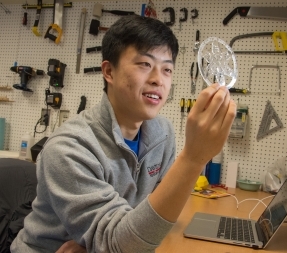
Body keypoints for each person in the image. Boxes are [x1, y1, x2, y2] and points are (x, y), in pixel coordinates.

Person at [11, 15, 236, 253]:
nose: (158, 80)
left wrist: (104, 243)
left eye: (167, 69)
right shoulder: (69, 148)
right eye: (145, 64)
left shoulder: (164, 134)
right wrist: (193, 158)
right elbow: (117, 245)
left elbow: (157, 212)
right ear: (108, 71)